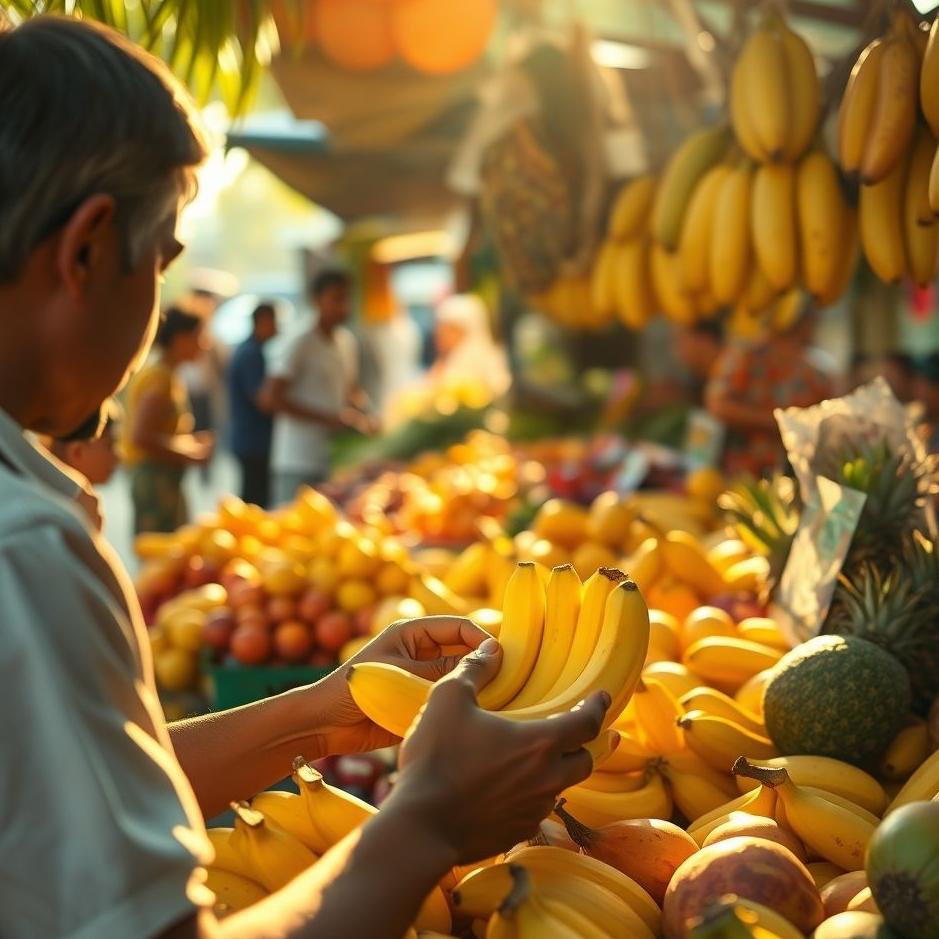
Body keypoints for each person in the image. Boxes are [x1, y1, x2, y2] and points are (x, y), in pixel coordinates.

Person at [0, 16, 606, 939]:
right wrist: (430, 816)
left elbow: (60, 790)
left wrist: (326, 712)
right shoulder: (24, 548)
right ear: (88, 248)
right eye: (160, 264)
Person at [266, 269, 377, 504]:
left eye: (346, 298)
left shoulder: (346, 342)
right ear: (317, 300)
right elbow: (271, 398)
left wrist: (367, 414)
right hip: (298, 458)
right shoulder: (300, 342)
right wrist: (328, 419)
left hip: (332, 457)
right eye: (336, 299)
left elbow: (350, 389)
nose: (344, 306)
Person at [705, 298, 834, 476]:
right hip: (744, 476)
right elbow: (718, 406)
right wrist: (776, 422)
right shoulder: (746, 355)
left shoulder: (817, 370)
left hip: (797, 474)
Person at [122, 305, 214, 533]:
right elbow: (142, 437)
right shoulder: (160, 379)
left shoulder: (168, 376)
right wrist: (191, 453)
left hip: (164, 482)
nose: (204, 345)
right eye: (198, 337)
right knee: (161, 556)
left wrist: (190, 443)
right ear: (180, 339)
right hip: (155, 483)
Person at [227, 302, 277, 507]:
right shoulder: (251, 354)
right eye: (273, 323)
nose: (276, 329)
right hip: (253, 440)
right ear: (262, 322)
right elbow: (262, 400)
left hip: (250, 438)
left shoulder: (250, 350)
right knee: (255, 500)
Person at [431, 293, 511, 399]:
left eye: (449, 329)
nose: (440, 334)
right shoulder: (447, 357)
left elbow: (498, 386)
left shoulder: (482, 356)